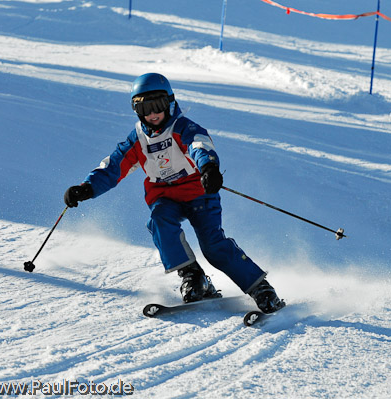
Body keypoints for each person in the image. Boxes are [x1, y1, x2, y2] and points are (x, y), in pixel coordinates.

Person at [64, 73, 285, 313]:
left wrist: (209, 167)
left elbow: (200, 146)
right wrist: (87, 187)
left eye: (157, 105)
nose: (152, 113)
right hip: (165, 197)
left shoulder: (183, 127)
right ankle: (193, 276)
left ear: (169, 102)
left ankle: (260, 288)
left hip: (199, 192)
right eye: (144, 107)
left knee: (213, 245)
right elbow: (113, 167)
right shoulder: (137, 139)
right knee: (159, 221)